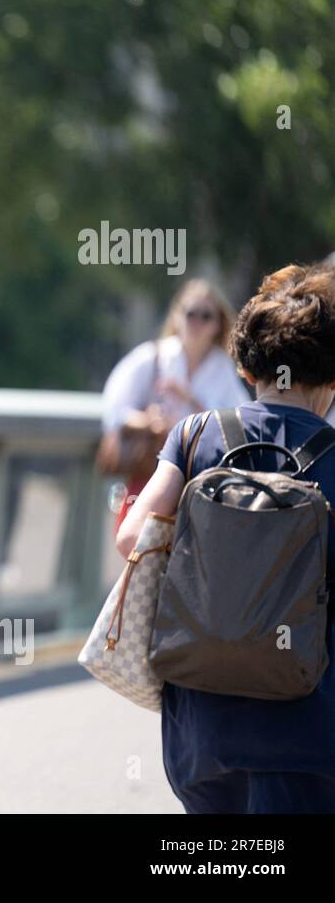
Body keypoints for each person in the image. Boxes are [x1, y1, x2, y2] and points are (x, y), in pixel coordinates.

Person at [117, 262, 335, 813]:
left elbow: (133, 537)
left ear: (245, 366)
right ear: (332, 380)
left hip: (201, 724)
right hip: (308, 725)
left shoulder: (195, 435)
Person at [101, 278, 249, 530]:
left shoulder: (223, 369)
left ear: (218, 324)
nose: (197, 323)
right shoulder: (153, 357)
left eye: (206, 316)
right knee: (138, 549)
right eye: (191, 314)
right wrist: (150, 422)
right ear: (178, 315)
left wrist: (189, 399)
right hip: (151, 473)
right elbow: (115, 409)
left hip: (200, 480)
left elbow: (239, 424)